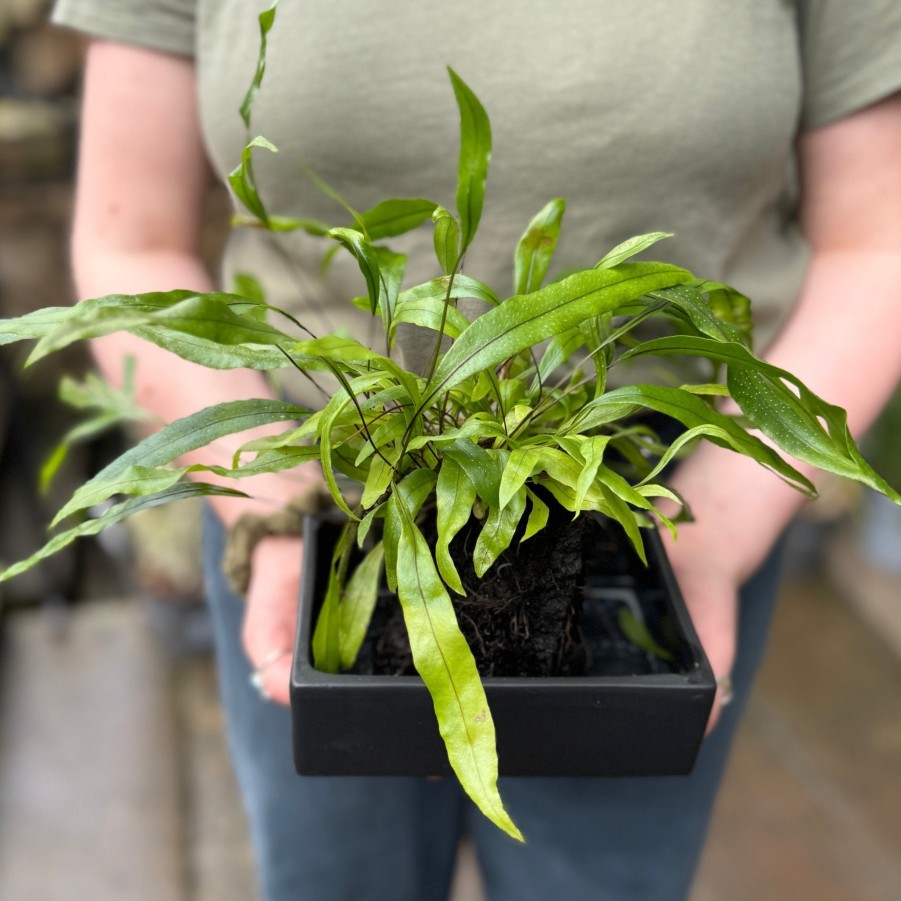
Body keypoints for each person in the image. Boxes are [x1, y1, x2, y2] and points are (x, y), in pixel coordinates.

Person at [50, 1, 901, 898]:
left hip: (662, 497)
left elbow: (876, 242)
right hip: (317, 491)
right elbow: (129, 237)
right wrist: (273, 508)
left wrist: (716, 527)